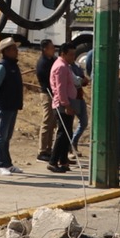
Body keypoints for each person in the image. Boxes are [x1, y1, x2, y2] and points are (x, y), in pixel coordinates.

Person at [0, 38, 26, 176]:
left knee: (7, 136)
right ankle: (0, 165)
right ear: (7, 51)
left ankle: (8, 164)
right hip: (3, 106)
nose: (17, 51)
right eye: (14, 49)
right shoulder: (2, 66)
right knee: (1, 136)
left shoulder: (13, 65)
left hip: (12, 106)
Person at [48, 42, 82, 172]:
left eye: (74, 54)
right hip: (63, 104)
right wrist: (66, 105)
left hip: (68, 102)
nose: (73, 57)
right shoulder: (61, 67)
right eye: (71, 54)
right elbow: (60, 89)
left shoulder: (66, 66)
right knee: (62, 134)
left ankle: (63, 161)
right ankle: (53, 161)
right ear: (63, 54)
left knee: (67, 133)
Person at [34, 40, 60, 162]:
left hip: (54, 94)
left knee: (52, 123)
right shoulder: (43, 63)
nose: (53, 49)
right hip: (47, 93)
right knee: (46, 121)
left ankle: (49, 149)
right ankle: (42, 150)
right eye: (51, 47)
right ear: (45, 49)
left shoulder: (52, 60)